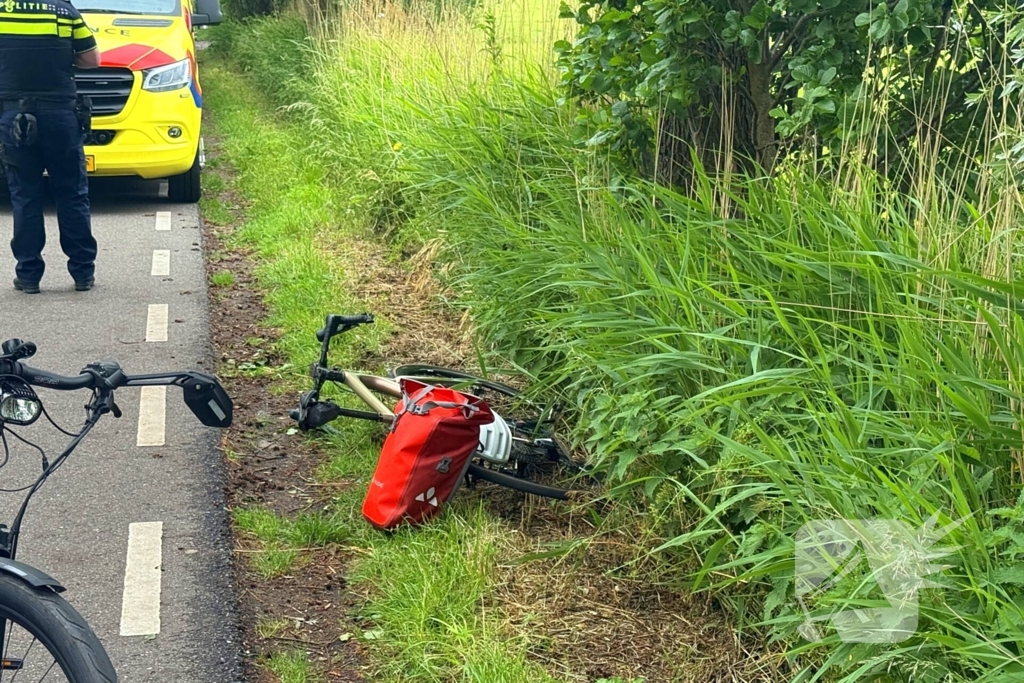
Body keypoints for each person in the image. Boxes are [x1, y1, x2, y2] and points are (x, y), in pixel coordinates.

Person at [0, 0, 100, 294]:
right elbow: (92, 59)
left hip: (13, 115)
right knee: (72, 193)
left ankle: (29, 276)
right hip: (60, 115)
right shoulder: (64, 11)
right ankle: (82, 273)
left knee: (25, 196)